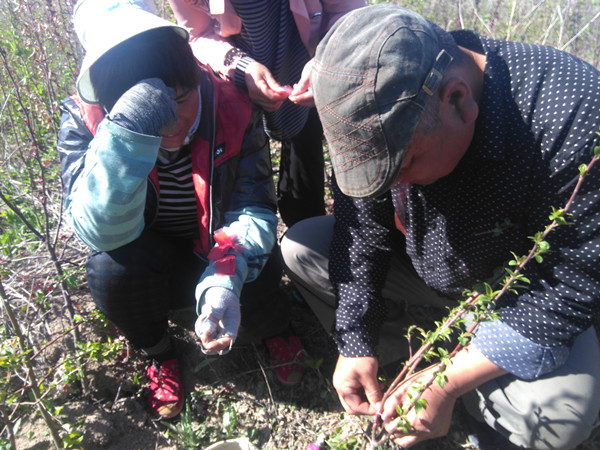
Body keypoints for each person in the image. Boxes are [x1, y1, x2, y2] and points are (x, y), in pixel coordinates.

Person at [281, 4, 600, 448]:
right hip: (433, 266)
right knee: (302, 247)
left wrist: (450, 381)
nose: (392, 185)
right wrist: (354, 340)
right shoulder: (380, 96)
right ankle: (402, 362)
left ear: (458, 101)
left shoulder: (576, 117)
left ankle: (469, 394)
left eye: (406, 164)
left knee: (560, 414)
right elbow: (362, 230)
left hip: (513, 291)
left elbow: (568, 289)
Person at [58, 0, 292, 419]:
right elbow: (99, 230)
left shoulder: (229, 103)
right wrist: (128, 134)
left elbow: (253, 207)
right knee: (109, 270)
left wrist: (224, 279)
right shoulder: (84, 119)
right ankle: (160, 352)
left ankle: (273, 327)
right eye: (153, 111)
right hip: (154, 257)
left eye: (180, 99)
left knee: (265, 261)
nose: (171, 124)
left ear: (195, 77)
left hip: (218, 245)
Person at [167, 0, 365, 227]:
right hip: (235, 82)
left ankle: (306, 235)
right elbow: (198, 34)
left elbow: (348, 11)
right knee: (247, 185)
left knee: (305, 166)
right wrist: (242, 66)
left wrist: (327, 57)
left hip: (304, 60)